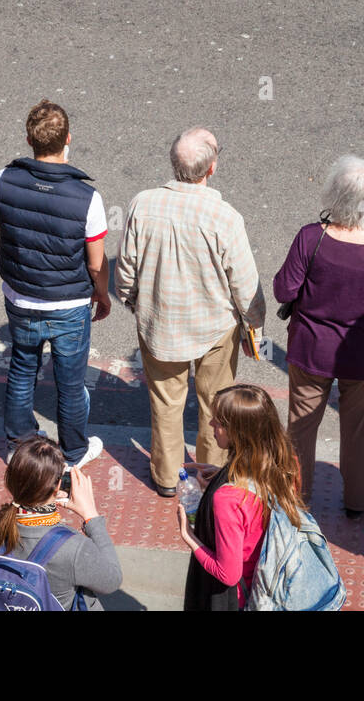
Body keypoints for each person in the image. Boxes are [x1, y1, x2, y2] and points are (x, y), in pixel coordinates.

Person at [115, 127, 266, 497]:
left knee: (166, 402)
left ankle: (166, 477)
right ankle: (210, 471)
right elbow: (245, 285)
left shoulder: (142, 204)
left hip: (159, 326)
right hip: (215, 330)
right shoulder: (225, 217)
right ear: (211, 168)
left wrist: (132, 301)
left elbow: (125, 272)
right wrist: (255, 325)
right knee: (216, 404)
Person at [272, 156, 364, 518]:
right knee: (357, 431)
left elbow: (284, 290)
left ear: (333, 195)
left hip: (310, 350)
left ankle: (297, 498)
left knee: (301, 428)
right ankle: (357, 499)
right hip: (363, 355)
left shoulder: (311, 238)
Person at [0, 100, 110, 469]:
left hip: (21, 296)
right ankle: (74, 451)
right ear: (68, 139)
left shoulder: (3, 179)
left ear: (29, 139)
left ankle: (18, 442)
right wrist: (102, 295)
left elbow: (0, 225)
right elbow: (95, 261)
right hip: (69, 304)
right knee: (70, 381)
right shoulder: (87, 198)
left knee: (22, 367)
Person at [177, 384, 303, 611]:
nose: (211, 425)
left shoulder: (227, 499)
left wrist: (189, 537)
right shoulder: (286, 463)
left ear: (238, 432)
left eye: (219, 422)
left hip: (240, 598)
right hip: (273, 580)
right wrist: (220, 474)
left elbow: (227, 574)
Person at [0, 434, 122, 610]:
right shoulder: (74, 548)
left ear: (10, 480)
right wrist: (91, 516)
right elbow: (112, 580)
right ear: (58, 486)